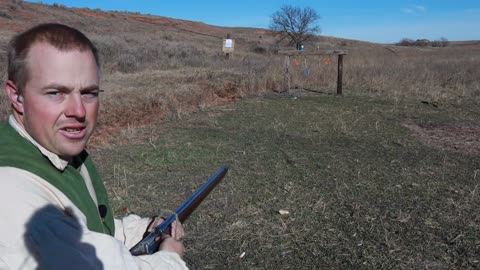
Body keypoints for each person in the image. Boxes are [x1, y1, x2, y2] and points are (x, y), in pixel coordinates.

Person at [0, 23, 188, 269]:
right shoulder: (11, 192)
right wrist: (170, 259)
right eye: (56, 92)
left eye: (89, 93)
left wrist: (144, 230)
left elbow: (85, 230)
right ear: (16, 96)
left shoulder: (55, 151)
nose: (79, 111)